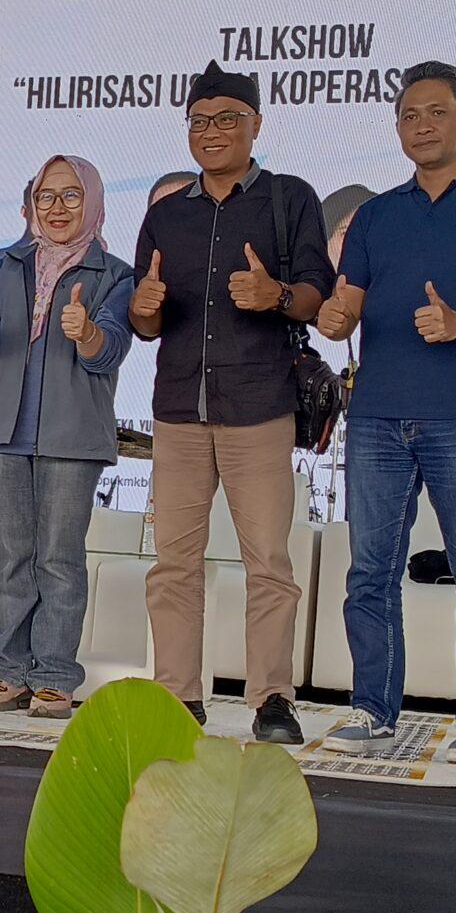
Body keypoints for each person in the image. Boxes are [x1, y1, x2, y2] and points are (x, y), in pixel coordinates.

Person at [313, 61, 456, 766]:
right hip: (377, 416)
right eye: (408, 115)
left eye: (436, 112)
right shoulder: (376, 215)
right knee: (369, 573)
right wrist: (332, 318)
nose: (421, 126)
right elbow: (346, 305)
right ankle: (373, 709)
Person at [130, 62, 334, 741]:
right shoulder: (165, 215)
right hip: (179, 409)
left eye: (227, 119)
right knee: (173, 565)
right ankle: (177, 698)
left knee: (268, 563)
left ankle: (272, 699)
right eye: (199, 120)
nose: (211, 132)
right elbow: (146, 320)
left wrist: (276, 295)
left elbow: (317, 293)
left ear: (256, 125)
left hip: (259, 406)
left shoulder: (289, 198)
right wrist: (144, 309)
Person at [0, 155, 134, 718]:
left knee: (58, 559)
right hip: (7, 428)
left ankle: (55, 675)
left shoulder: (114, 274)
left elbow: (109, 351)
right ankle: (8, 671)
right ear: (31, 204)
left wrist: (87, 334)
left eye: (71, 195)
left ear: (93, 202)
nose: (57, 208)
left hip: (72, 433)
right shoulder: (6, 264)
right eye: (46, 196)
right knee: (14, 557)